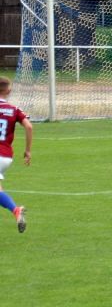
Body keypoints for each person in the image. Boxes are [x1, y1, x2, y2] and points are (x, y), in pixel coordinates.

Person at [0, 76, 32, 233]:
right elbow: (29, 127)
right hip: (6, 157)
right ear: (8, 90)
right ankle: (16, 211)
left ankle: (16, 210)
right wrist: (27, 150)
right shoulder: (14, 109)